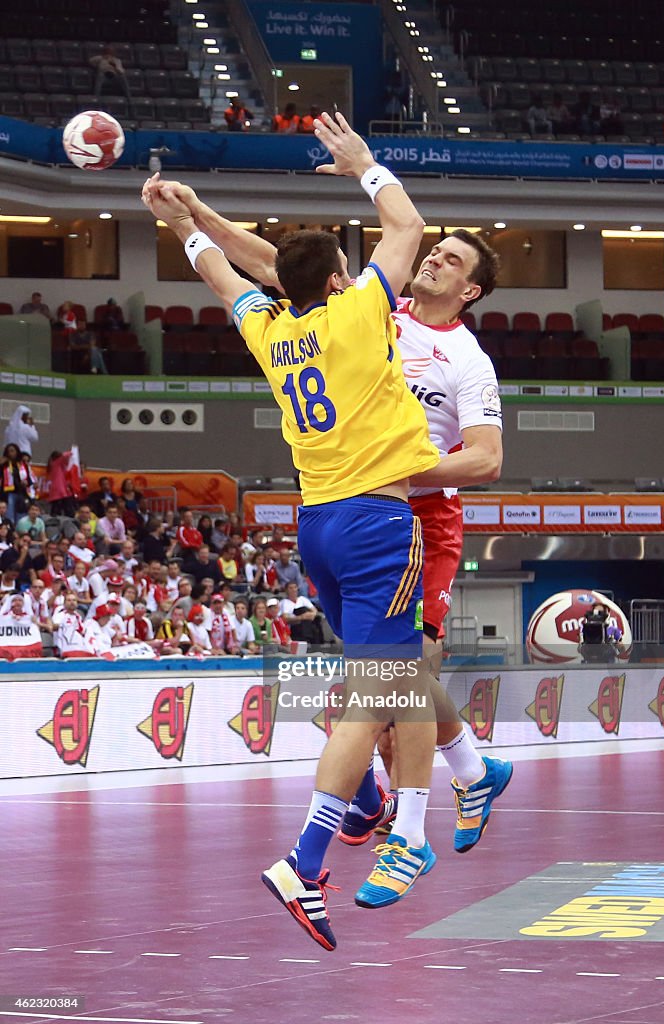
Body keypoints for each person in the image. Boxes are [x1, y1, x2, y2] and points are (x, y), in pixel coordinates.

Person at [142, 110, 443, 949]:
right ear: (344, 279)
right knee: (383, 692)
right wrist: (364, 166)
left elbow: (222, 275)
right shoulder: (358, 316)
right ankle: (307, 855)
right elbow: (408, 226)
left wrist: (183, 222)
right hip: (377, 521)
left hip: (313, 526)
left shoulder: (272, 330)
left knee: (370, 684)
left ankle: (365, 811)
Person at [146, 176, 511, 856]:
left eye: (452, 261)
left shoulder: (467, 359)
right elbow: (268, 263)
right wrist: (197, 212)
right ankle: (462, 774)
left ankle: (406, 830)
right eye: (434, 251)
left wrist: (396, 469)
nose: (432, 258)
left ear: (470, 291)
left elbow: (485, 461)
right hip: (354, 505)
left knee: (401, 675)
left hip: (416, 518)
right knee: (381, 680)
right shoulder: (373, 303)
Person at [1, 443, 33, 522]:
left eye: (12, 451)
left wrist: (26, 482)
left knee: (21, 516)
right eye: (9, 451)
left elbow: (29, 479)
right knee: (10, 516)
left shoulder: (22, 465)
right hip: (9, 493)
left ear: (17, 452)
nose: (10, 453)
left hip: (21, 493)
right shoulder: (4, 465)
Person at [45, 450, 77, 517]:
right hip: (60, 491)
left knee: (56, 509)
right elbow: (65, 456)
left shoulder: (54, 465)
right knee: (66, 510)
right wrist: (73, 451)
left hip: (58, 490)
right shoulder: (57, 463)